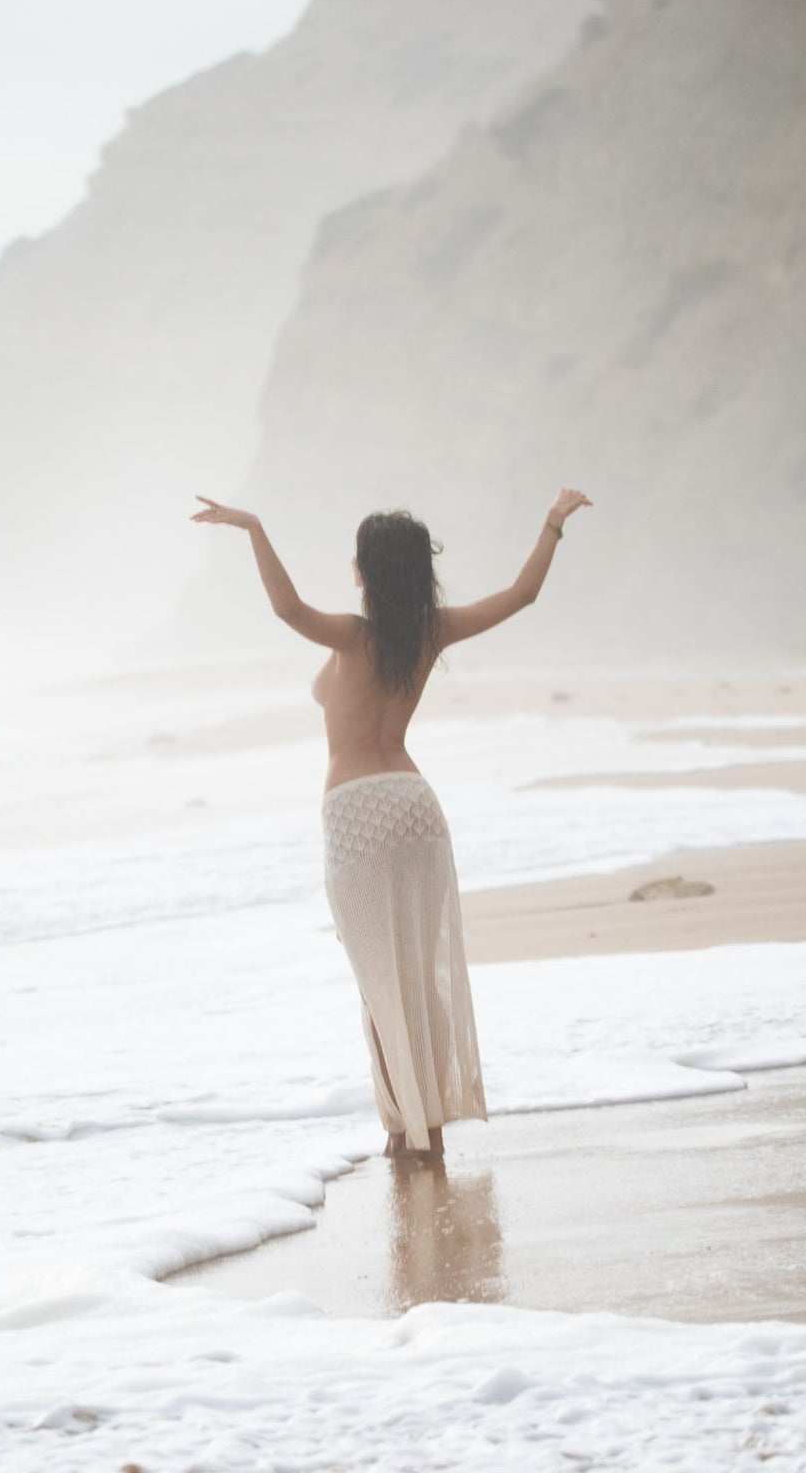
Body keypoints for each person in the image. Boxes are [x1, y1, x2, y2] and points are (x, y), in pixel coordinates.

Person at [190, 489, 593, 1158]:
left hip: (355, 812)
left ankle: (411, 1130)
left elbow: (286, 608)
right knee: (413, 972)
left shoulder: (355, 635)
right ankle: (420, 1121)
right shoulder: (429, 632)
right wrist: (553, 521)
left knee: (380, 981)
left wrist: (253, 528)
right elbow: (522, 594)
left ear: (365, 570)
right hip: (414, 807)